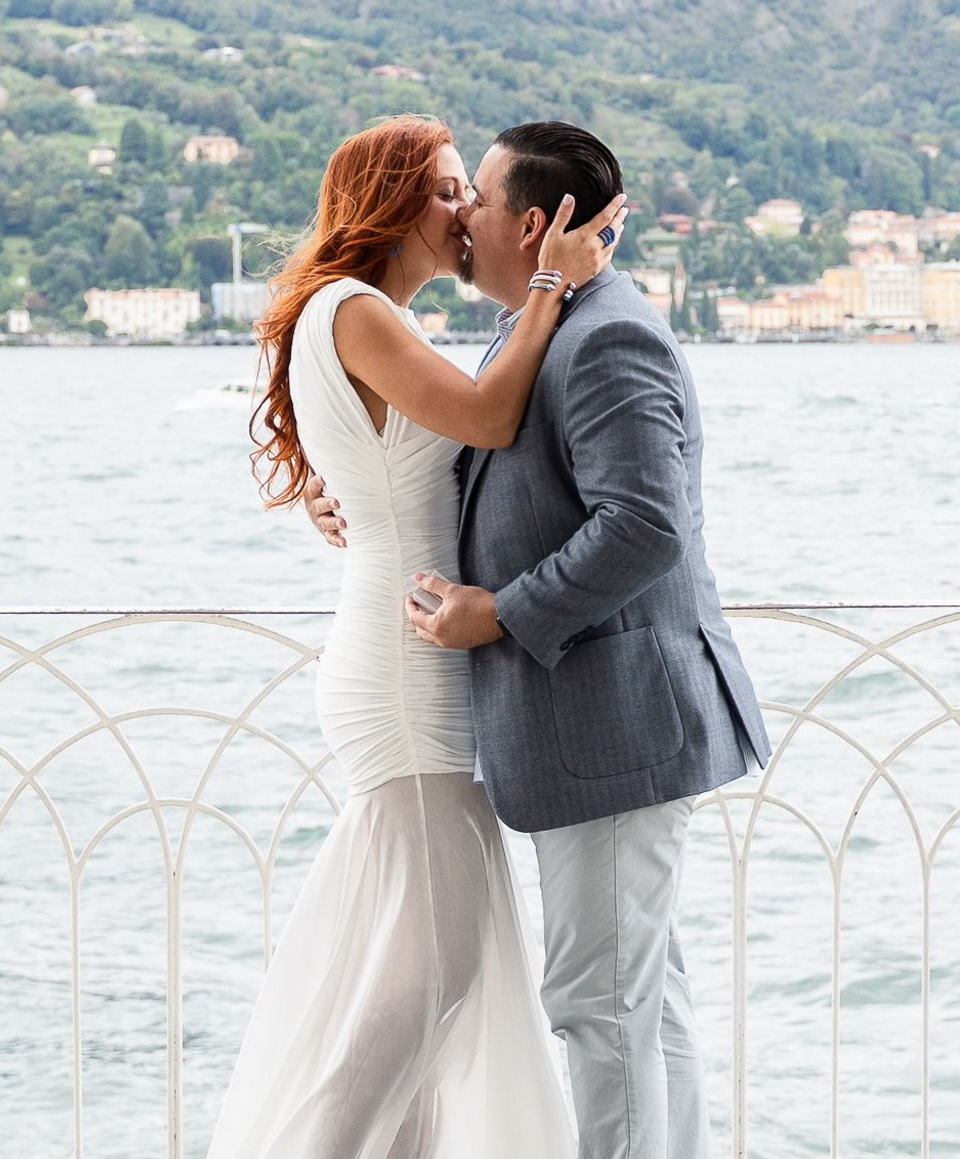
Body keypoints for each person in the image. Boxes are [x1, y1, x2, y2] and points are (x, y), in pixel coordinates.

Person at [315, 120, 769, 1159]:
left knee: (600, 1005)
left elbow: (646, 524)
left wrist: (502, 612)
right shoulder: (542, 322)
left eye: (474, 196)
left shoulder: (603, 334)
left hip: (616, 723)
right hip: (594, 722)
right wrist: (345, 499)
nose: (462, 216)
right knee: (639, 1001)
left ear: (530, 224)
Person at [216, 113, 624, 1159]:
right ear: (389, 203)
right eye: (445, 190)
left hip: (402, 649)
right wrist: (552, 282)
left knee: (428, 966)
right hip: (405, 672)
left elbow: (390, 466)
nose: (466, 209)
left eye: (465, 189)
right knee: (437, 970)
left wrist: (334, 499)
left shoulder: (358, 314)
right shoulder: (356, 309)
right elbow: (487, 418)